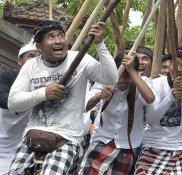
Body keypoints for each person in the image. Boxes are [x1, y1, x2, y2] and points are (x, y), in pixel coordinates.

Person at [8, 20, 118, 175]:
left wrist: (100, 44)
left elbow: (111, 78)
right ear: (39, 47)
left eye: (61, 35)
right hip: (33, 136)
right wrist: (43, 93)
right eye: (51, 37)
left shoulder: (81, 60)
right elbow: (13, 103)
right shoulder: (31, 65)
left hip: (67, 138)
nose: (58, 40)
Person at [80, 51, 156, 174]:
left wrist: (131, 71)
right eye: (120, 75)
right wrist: (99, 96)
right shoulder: (104, 80)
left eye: (127, 76)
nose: (122, 80)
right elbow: (85, 106)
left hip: (128, 145)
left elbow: (150, 98)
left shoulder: (144, 82)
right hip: (102, 139)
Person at [136, 48, 182, 174]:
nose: (179, 69)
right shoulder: (156, 84)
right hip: (153, 143)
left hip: (179, 146)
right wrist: (170, 97)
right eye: (176, 64)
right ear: (170, 64)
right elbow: (151, 120)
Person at [0, 43, 40, 174]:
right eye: (31, 56)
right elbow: (5, 101)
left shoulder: (46, 84)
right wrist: (41, 95)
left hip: (25, 148)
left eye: (40, 56)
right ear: (20, 61)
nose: (35, 60)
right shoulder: (7, 77)